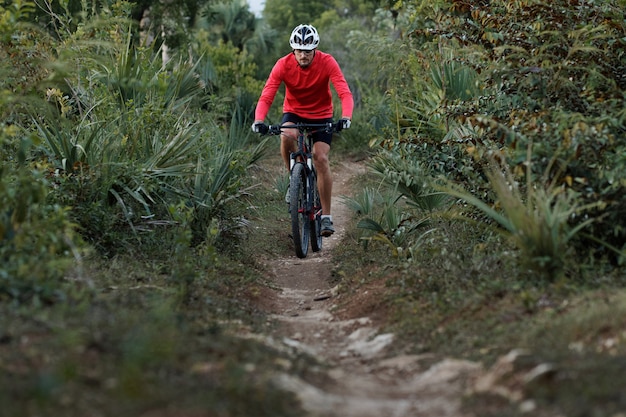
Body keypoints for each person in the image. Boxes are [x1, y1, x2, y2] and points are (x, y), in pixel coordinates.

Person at [252, 24, 354, 237]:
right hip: (294, 112)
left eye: (307, 51)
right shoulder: (283, 65)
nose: (303, 55)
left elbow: (343, 91)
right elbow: (267, 94)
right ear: (293, 49)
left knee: (320, 157)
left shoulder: (327, 62)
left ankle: (326, 216)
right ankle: (294, 180)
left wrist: (346, 117)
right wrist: (259, 120)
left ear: (315, 49)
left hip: (322, 115)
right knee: (287, 135)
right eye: (299, 50)